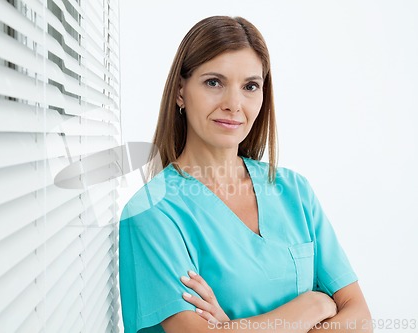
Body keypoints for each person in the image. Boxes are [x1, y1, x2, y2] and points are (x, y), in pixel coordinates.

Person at [119, 16, 372, 333]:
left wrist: (237, 328)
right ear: (181, 92)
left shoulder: (293, 190)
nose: (233, 104)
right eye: (214, 82)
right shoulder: (152, 212)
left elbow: (360, 318)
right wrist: (314, 305)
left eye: (250, 86)